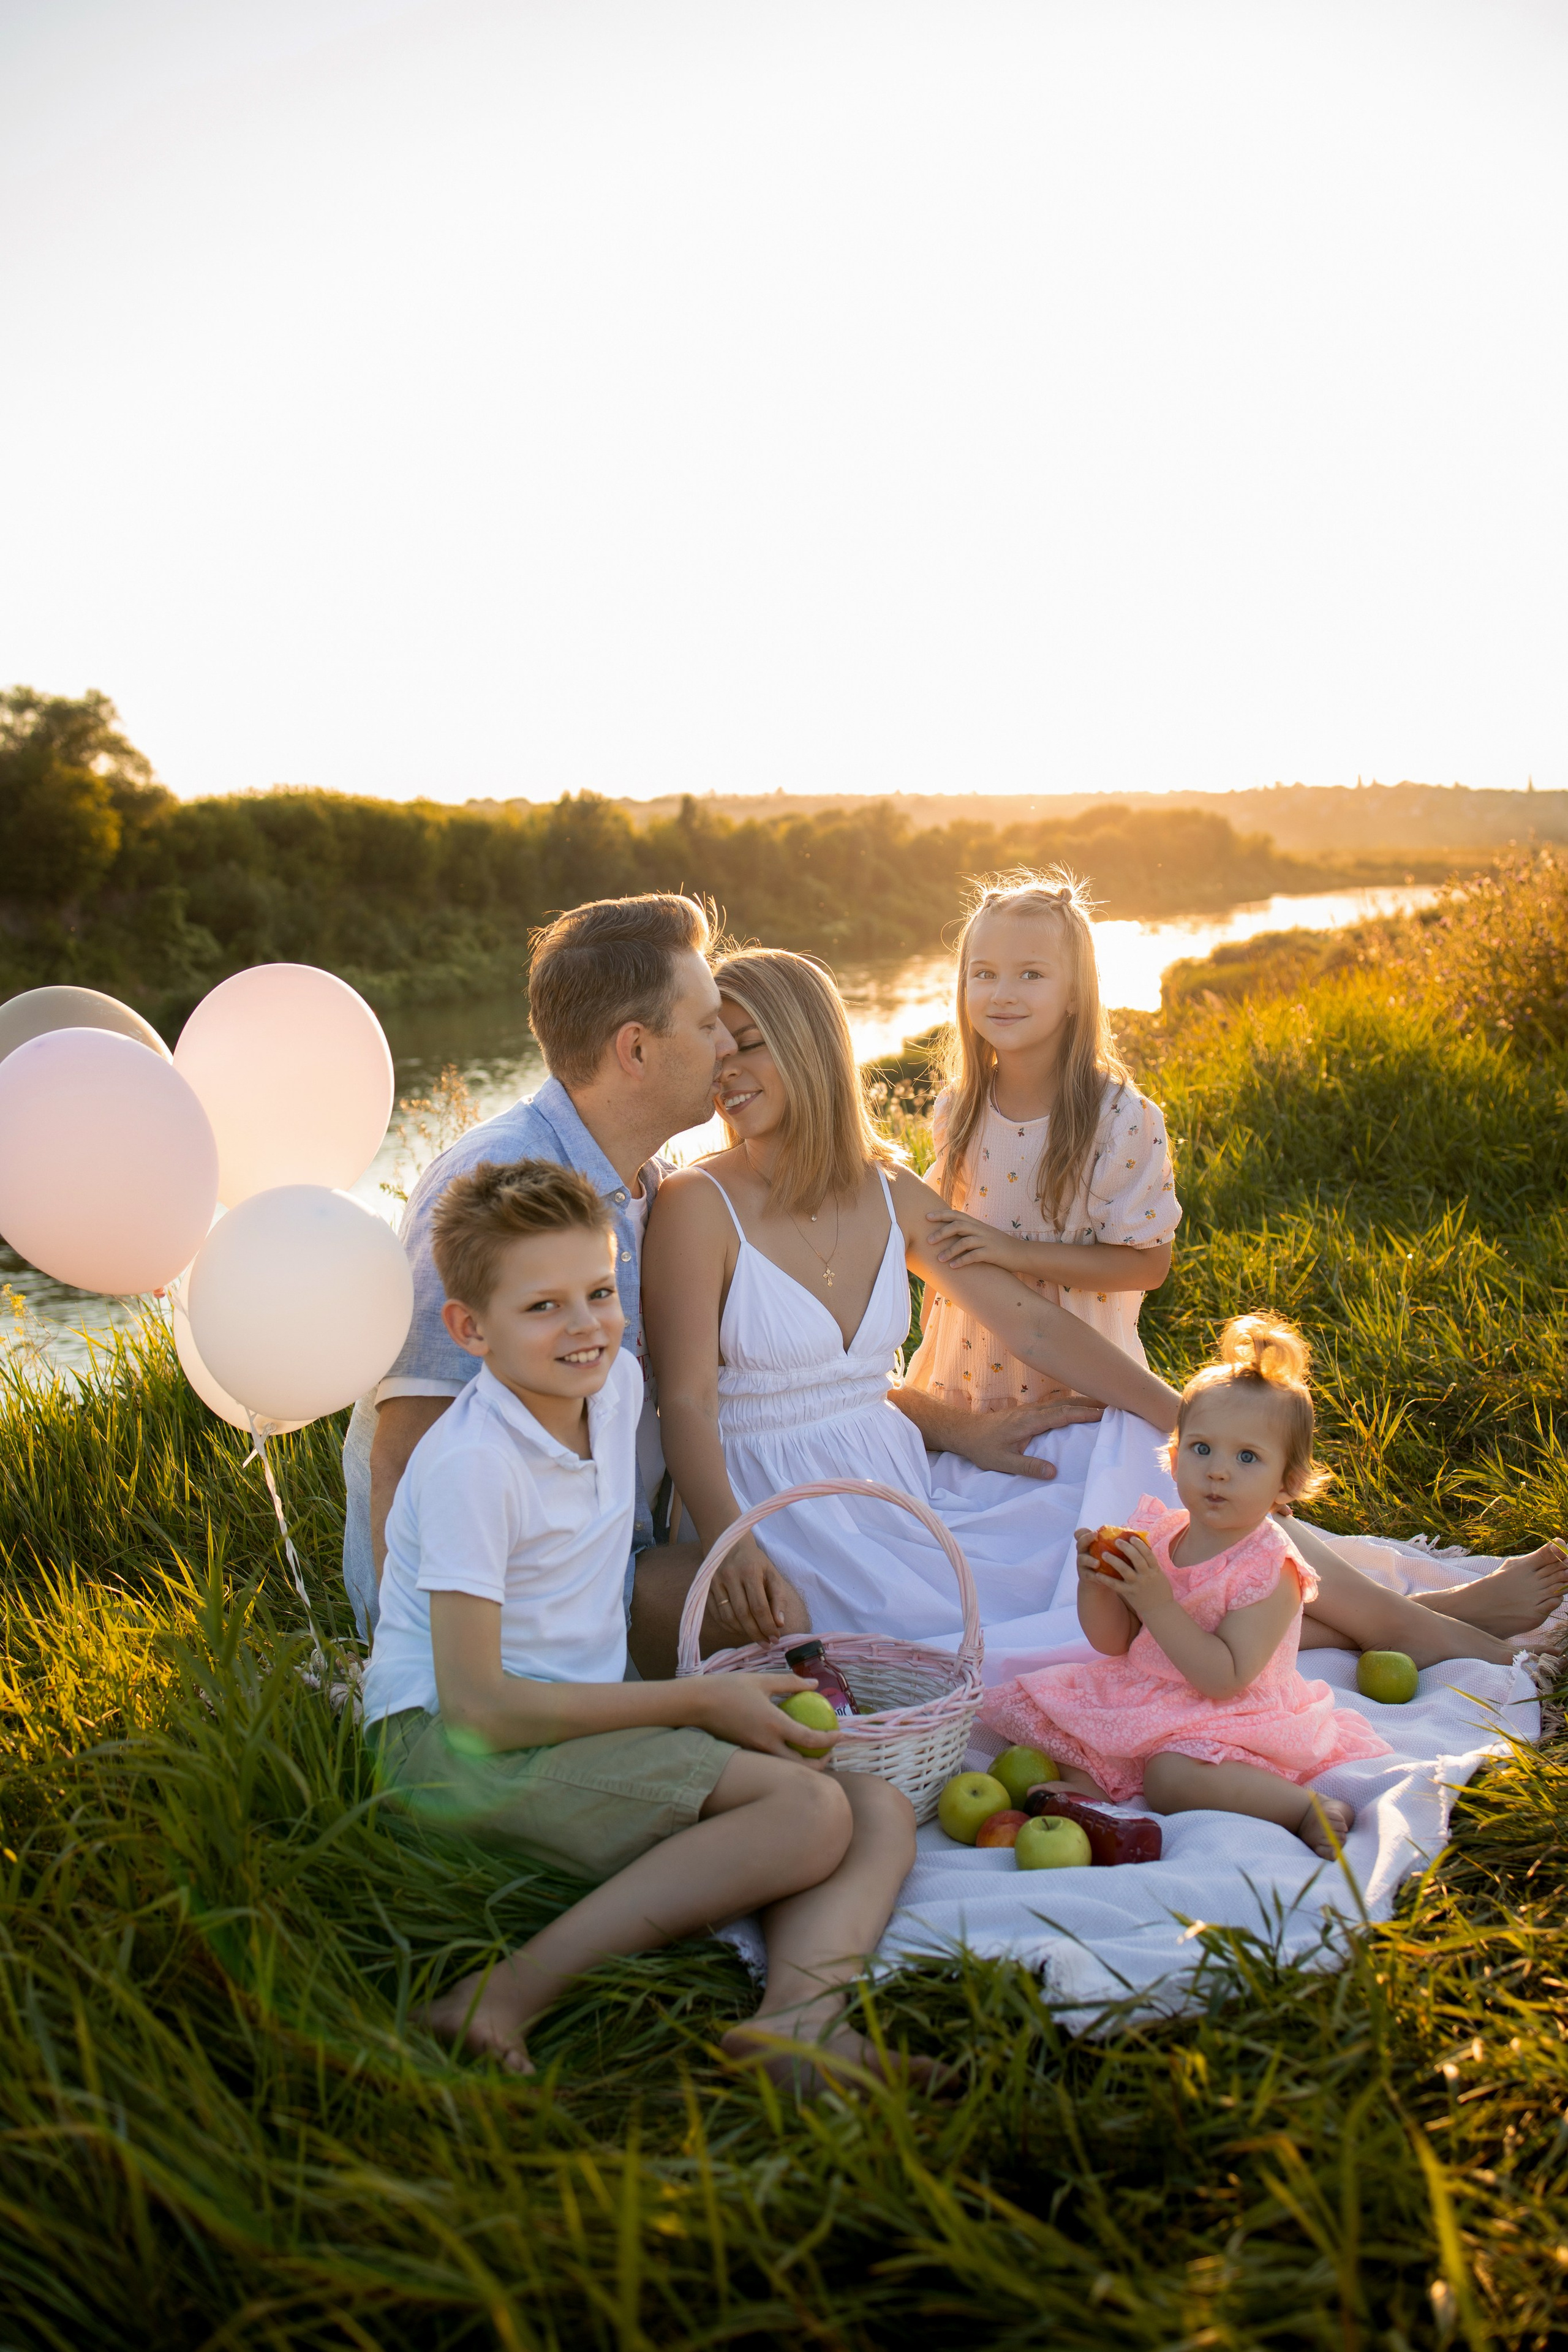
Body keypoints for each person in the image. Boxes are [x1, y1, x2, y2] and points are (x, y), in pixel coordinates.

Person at [898, 870, 1568, 1666]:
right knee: (1089, 1595)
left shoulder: (1118, 1117)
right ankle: (1420, 1613)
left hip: (1088, 1391)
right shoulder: (958, 1108)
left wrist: (1015, 1253)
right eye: (983, 973)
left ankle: (1419, 1619)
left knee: (1207, 1551)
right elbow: (938, 1247)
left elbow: (1147, 1262)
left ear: (1076, 993)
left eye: (1030, 974)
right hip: (964, 1387)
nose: (1002, 993)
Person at [363, 1158, 932, 2087]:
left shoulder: (617, 1389)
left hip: (566, 1722)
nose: (584, 1326)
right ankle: (497, 1994)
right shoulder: (475, 1465)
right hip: (447, 1753)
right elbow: (477, 1712)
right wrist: (700, 1704)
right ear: (469, 1329)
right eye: (542, 1307)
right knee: (805, 1811)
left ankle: (798, 2022)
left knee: (875, 1804)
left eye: (598, 1293)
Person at [643, 946, 1183, 1655]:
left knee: (1123, 1453)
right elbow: (685, 1404)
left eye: (749, 1045)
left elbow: (1033, 1327)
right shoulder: (697, 1201)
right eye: (715, 1052)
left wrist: (1185, 1421)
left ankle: (1280, 1596)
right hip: (770, 1503)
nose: (726, 1071)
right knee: (986, 1639)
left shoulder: (888, 1188)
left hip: (893, 1484)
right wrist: (731, 1542)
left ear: (810, 1044)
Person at [341, 891, 811, 1663]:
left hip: (607, 1556)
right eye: (706, 1025)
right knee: (777, 1619)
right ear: (636, 1050)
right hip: (509, 1605)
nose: (727, 1045)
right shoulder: (495, 1189)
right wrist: (426, 1677)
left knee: (805, 1580)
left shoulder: (653, 1186)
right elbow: (406, 1456)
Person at [981, 1316, 1392, 1858]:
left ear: (1288, 1483)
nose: (1218, 1471)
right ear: (1174, 1461)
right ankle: (1093, 1793)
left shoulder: (1271, 1568)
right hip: (1151, 1689)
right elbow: (1116, 1642)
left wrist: (1157, 1601)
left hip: (1232, 1714)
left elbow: (1225, 1678)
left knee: (1172, 1778)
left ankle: (1303, 1807)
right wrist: (1097, 1587)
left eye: (1247, 1457)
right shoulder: (1162, 1534)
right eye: (1202, 1449)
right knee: (1050, 1717)